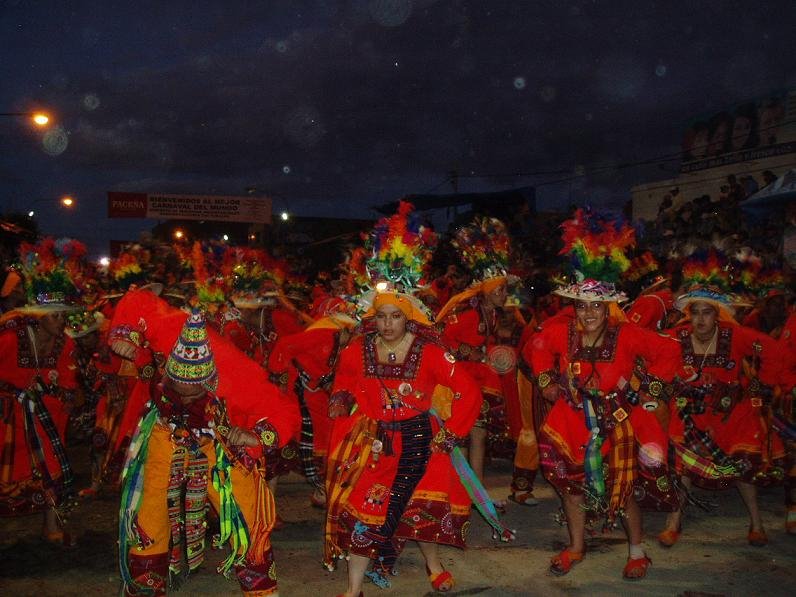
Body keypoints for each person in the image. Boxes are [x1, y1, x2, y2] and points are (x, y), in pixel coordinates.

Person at [325, 202, 482, 597]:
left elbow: (469, 391)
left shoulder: (429, 352)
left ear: (408, 316)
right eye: (382, 316)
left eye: (396, 316)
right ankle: (354, 587)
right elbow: (343, 378)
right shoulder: (357, 349)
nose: (388, 323)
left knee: (418, 509)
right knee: (366, 513)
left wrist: (451, 433)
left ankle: (433, 565)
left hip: (422, 442)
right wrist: (341, 398)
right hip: (374, 443)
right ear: (373, 318)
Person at [527, 209, 684, 581]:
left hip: (618, 420)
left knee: (623, 491)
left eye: (596, 306)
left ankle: (636, 551)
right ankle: (576, 547)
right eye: (582, 305)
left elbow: (669, 352)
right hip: (572, 418)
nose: (589, 313)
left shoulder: (627, 333)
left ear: (607, 306)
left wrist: (653, 390)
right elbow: (536, 346)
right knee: (570, 488)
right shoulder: (562, 331)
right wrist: (547, 378)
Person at [110, 290, 300, 596]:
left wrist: (254, 436)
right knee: (147, 515)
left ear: (209, 383)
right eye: (177, 390)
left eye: (192, 395)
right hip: (163, 432)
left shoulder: (236, 376)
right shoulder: (169, 330)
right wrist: (127, 339)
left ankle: (263, 591)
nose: (184, 398)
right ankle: (145, 587)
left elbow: (285, 409)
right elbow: (138, 300)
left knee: (246, 513)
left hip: (217, 438)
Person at [658, 254, 785, 548]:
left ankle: (756, 523)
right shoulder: (676, 336)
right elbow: (648, 350)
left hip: (732, 414)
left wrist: (764, 385)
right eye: (696, 312)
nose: (701, 319)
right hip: (690, 412)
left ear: (717, 315)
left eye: (707, 312)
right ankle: (673, 522)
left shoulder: (736, 335)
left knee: (742, 467)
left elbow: (774, 352)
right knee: (682, 466)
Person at [0, 238, 86, 546]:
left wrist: (68, 396)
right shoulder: (9, 336)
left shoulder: (68, 344)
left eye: (63, 314)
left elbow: (69, 382)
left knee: (52, 464)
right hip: (7, 416)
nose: (61, 320)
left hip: (47, 418)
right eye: (54, 315)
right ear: (37, 315)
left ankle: (51, 525)